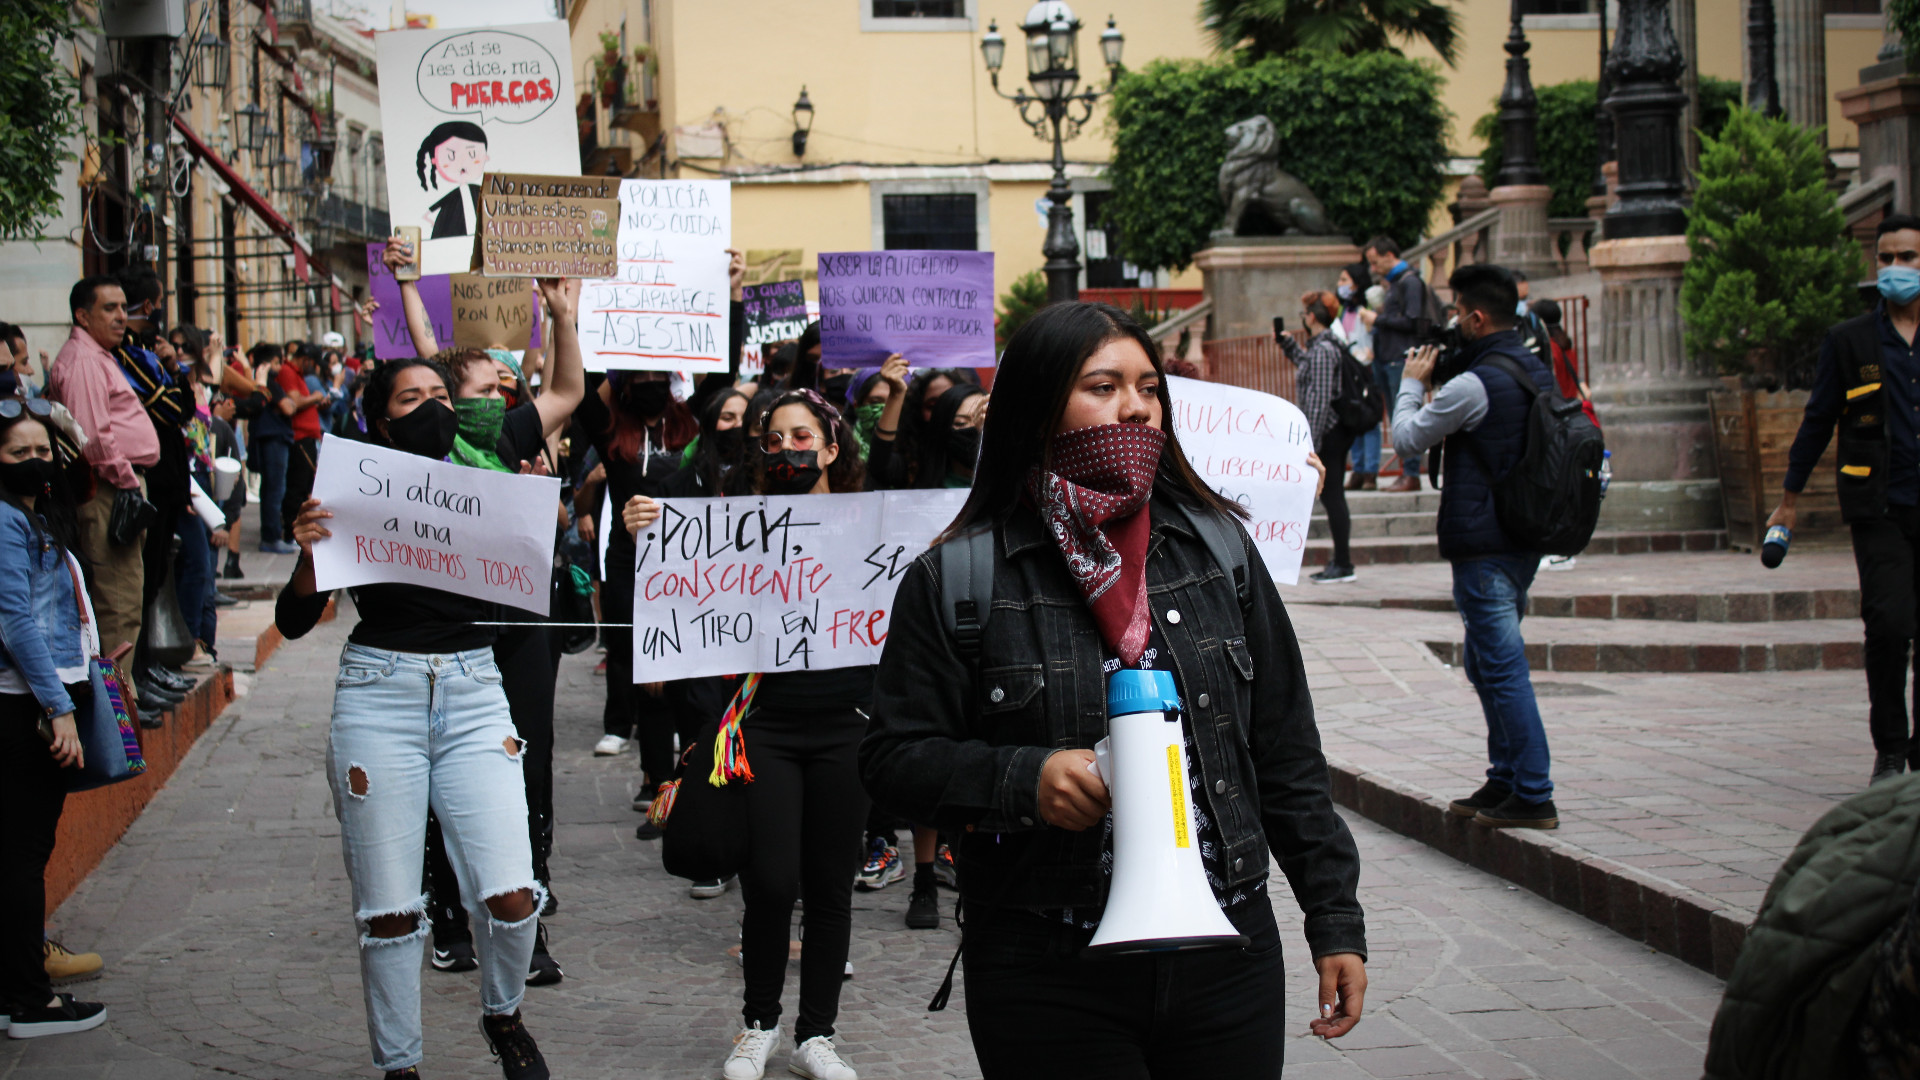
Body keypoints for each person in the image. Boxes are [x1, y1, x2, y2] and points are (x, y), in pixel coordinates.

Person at [859, 301, 1368, 1079]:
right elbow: (893, 759)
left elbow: (1286, 748)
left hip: (1227, 954)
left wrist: (1334, 917)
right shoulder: (955, 578)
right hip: (1046, 966)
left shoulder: (1219, 551)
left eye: (1148, 388)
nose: (1134, 406)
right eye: (1102, 386)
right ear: (1037, 409)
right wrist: (1022, 779)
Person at [275, 358, 550, 1080]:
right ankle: (400, 1065)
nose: (431, 406)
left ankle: (504, 1013)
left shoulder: (487, 483)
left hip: (473, 693)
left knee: (512, 894)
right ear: (381, 418)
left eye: (439, 394)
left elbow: (527, 602)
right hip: (379, 694)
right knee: (390, 911)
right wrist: (309, 554)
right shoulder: (349, 491)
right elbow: (295, 619)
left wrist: (530, 526)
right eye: (411, 397)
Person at [622, 389, 869, 1080]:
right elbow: (685, 575)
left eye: (801, 437)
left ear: (829, 447)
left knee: (828, 885)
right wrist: (646, 527)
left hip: (846, 727)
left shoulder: (874, 523)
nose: (788, 448)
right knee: (769, 881)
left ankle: (816, 1034)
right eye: (774, 439)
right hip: (766, 725)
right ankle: (758, 1025)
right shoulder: (738, 524)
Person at [384, 239, 586, 987]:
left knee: (525, 765)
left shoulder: (506, 437)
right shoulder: (413, 455)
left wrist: (563, 316)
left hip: (519, 630)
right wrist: (409, 284)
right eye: (480, 384)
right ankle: (445, 911)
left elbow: (566, 391)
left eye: (506, 385)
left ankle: (525, 915)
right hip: (443, 640)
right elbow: (429, 354)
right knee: (446, 773)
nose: (499, 392)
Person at [1391, 264, 1559, 829]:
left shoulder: (1475, 384)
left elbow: (1408, 439)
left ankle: (1534, 791)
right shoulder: (1532, 367)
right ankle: (1505, 778)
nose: (1452, 321)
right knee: (1485, 663)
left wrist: (1412, 382)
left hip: (1485, 545)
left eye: (1457, 310)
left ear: (1477, 316)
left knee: (1502, 667)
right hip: (1522, 537)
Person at [1771, 213, 1920, 787]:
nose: (1894, 268)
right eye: (1885, 258)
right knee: (1889, 624)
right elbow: (1817, 421)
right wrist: (1789, 497)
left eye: (1906, 257)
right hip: (1877, 504)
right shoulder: (1850, 339)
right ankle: (1890, 749)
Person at [0, 401, 110, 1040]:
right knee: (23, 852)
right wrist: (59, 709)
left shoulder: (34, 515)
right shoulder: (8, 522)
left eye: (42, 451)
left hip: (37, 696)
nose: (37, 462)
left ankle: (15, 987)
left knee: (17, 849)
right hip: (26, 707)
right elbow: (15, 623)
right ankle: (29, 1001)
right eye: (19, 453)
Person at [47, 278, 158, 707]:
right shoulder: (84, 361)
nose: (120, 316)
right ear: (82, 315)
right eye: (109, 308)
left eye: (123, 307)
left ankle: (119, 708)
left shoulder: (98, 357)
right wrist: (130, 482)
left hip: (119, 488)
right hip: (110, 491)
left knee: (124, 601)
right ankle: (117, 718)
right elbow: (94, 438)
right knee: (117, 604)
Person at [1283, 290, 1360, 584]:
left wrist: (1310, 442)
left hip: (1330, 432)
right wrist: (1289, 346)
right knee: (1332, 494)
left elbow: (1320, 398)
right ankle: (1342, 562)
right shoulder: (1321, 347)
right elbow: (1310, 371)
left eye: (1304, 315)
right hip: (1331, 430)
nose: (1302, 319)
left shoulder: (1324, 349)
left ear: (1312, 317)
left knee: (1332, 494)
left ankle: (1343, 563)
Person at [1359, 236, 1430, 492]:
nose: (1373, 268)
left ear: (1389, 255)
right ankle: (1407, 472)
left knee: (1406, 415)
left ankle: (1411, 473)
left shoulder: (1409, 281)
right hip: (1387, 358)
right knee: (1397, 416)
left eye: (1375, 262)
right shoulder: (1395, 282)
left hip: (1400, 359)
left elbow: (1413, 321)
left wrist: (1377, 319)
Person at [247, 343, 297, 555]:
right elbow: (288, 406)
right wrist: (290, 404)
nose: (281, 366)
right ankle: (271, 536)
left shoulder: (263, 383)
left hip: (269, 438)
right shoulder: (269, 384)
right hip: (274, 439)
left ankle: (271, 534)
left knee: (271, 489)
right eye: (278, 362)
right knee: (274, 490)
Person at [1332, 263, 1379, 491]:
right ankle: (1358, 469)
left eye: (1344, 279)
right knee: (1354, 418)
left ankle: (1371, 471)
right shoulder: (1344, 310)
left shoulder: (1368, 307)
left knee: (1369, 421)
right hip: (1350, 370)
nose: (1340, 285)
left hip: (1368, 370)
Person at [416, 120, 490, 239]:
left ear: (485, 157)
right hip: (452, 234)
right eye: (451, 156)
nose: (462, 162)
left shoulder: (480, 192)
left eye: (472, 153)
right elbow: (432, 210)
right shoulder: (454, 198)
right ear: (434, 161)